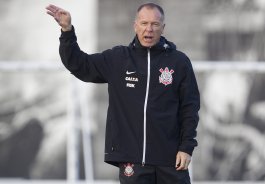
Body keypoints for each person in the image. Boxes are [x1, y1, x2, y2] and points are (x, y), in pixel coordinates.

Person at [46, 2, 200, 184]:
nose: (149, 29)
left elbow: (190, 108)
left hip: (171, 160)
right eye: (144, 23)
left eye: (155, 24)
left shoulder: (179, 62)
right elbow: (80, 64)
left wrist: (186, 147)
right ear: (135, 25)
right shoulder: (118, 59)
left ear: (163, 28)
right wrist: (67, 31)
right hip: (132, 161)